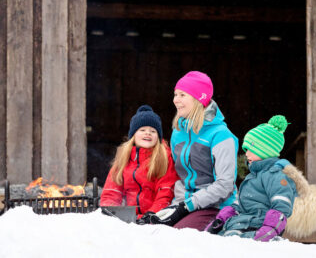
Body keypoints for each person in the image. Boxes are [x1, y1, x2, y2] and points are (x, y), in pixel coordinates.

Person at [148, 71, 239, 231]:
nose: (176, 100)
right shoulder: (178, 132)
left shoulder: (221, 136)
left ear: (199, 99)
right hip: (184, 203)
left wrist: (187, 206)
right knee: (152, 229)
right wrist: (175, 206)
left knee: (178, 235)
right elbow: (177, 175)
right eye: (175, 94)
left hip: (215, 206)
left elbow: (225, 185)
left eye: (182, 95)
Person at [204, 115, 297, 242]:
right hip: (241, 222)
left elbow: (281, 206)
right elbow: (241, 204)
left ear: (265, 149)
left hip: (257, 225)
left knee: (233, 241)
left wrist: (269, 228)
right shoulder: (252, 176)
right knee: (215, 240)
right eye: (246, 149)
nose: (246, 153)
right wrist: (222, 219)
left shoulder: (276, 175)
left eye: (251, 149)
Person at [99, 105, 179, 220]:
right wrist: (113, 213)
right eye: (142, 130)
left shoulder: (164, 158)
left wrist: (151, 215)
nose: (148, 133)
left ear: (158, 136)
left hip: (154, 218)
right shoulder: (123, 159)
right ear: (133, 135)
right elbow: (111, 191)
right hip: (127, 218)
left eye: (153, 131)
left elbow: (165, 193)